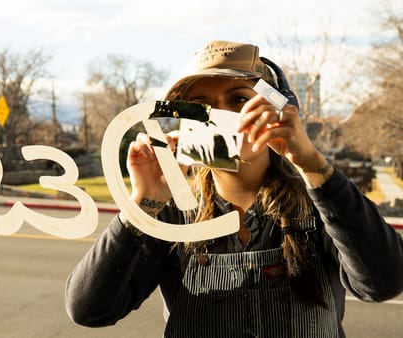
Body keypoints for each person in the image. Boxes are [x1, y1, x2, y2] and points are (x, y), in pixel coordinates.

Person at [64, 40, 403, 337]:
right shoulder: (172, 211)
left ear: (277, 110)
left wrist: (313, 165)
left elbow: (383, 282)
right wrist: (144, 204)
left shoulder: (319, 201)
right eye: (199, 106)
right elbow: (89, 310)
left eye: (239, 100)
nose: (217, 117)